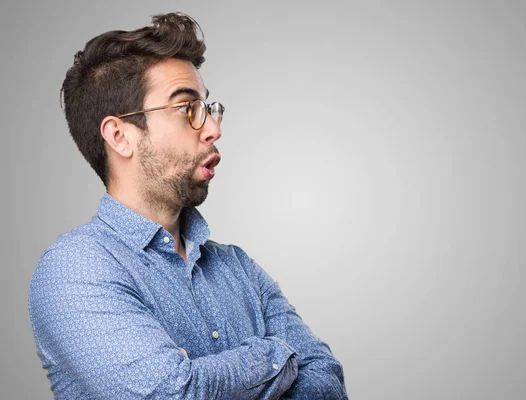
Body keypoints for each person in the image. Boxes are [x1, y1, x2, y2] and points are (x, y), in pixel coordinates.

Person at [28, 12, 347, 400]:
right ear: (120, 136)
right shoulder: (76, 269)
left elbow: (326, 381)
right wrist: (278, 355)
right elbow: (172, 394)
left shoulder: (238, 267)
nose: (213, 128)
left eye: (208, 108)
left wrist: (202, 377)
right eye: (186, 109)